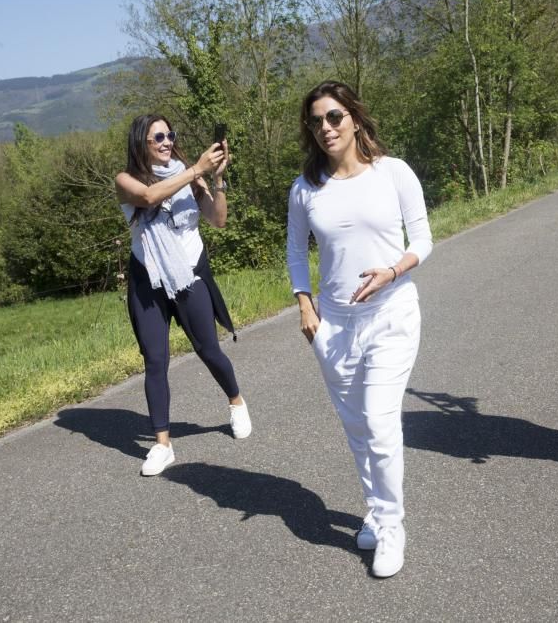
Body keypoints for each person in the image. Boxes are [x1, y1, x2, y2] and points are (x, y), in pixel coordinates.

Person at [286, 81, 432, 577]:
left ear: (354, 118)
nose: (325, 128)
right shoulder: (307, 188)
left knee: (378, 420)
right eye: (316, 121)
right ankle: (374, 509)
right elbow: (294, 252)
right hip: (333, 326)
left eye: (334, 117)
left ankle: (392, 527)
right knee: (355, 428)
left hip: (391, 314)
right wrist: (305, 304)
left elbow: (424, 239)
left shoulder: (392, 173)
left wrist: (392, 271)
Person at [115, 114, 252, 477]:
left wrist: (217, 179)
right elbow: (147, 197)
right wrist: (195, 171)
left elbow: (217, 219)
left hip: (190, 274)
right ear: (140, 144)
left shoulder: (191, 176)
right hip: (149, 280)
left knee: (209, 349)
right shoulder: (127, 180)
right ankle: (162, 444)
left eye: (169, 135)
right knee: (155, 360)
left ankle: (236, 401)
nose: (166, 142)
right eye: (157, 137)